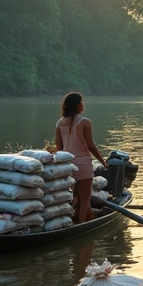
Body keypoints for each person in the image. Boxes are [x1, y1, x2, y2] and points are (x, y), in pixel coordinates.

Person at [53, 92, 109, 224]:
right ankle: (83, 225)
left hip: (68, 166)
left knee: (74, 198)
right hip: (83, 164)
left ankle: (71, 222)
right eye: (82, 102)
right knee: (85, 201)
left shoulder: (59, 123)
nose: (83, 104)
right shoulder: (85, 122)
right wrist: (103, 162)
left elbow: (59, 149)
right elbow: (91, 146)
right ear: (78, 105)